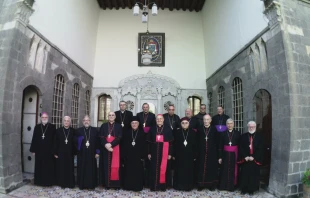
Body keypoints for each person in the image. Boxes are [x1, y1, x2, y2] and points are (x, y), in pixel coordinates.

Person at [147, 114, 174, 191]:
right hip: (154, 152)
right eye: (157, 119)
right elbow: (149, 142)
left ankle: (162, 186)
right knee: (153, 169)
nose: (159, 120)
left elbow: (171, 143)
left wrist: (170, 153)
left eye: (160, 119)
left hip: (164, 153)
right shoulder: (152, 129)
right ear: (155, 120)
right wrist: (149, 153)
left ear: (163, 119)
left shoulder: (168, 129)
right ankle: (154, 186)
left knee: (164, 169)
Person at [30, 112, 56, 186]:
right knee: (39, 166)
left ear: (48, 118)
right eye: (43, 117)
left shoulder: (52, 127)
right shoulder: (37, 127)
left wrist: (54, 151)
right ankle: (39, 182)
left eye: (45, 117)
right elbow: (34, 138)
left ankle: (48, 182)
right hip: (39, 151)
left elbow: (54, 140)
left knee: (48, 167)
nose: (44, 119)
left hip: (49, 151)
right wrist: (33, 150)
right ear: (41, 118)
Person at [238, 121, 264, 195]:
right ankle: (243, 189)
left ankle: (251, 190)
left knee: (253, 175)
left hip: (254, 159)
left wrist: (254, 157)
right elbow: (241, 147)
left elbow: (261, 149)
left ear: (255, 127)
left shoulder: (259, 137)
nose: (251, 127)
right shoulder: (243, 136)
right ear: (248, 127)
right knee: (244, 175)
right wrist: (245, 156)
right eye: (250, 126)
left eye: (253, 126)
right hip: (246, 159)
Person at [75, 115, 100, 189]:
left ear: (90, 121)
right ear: (83, 122)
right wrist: (79, 139)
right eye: (85, 120)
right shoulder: (78, 131)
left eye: (88, 120)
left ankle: (91, 184)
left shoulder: (95, 130)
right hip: (82, 154)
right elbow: (74, 141)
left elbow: (98, 142)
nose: (86, 121)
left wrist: (97, 152)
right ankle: (81, 184)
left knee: (91, 169)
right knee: (82, 168)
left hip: (92, 154)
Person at [122, 116, 146, 191]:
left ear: (139, 124)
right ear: (130, 124)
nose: (134, 124)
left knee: (138, 172)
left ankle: (137, 186)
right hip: (128, 157)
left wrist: (143, 156)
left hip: (138, 157)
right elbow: (123, 145)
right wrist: (124, 156)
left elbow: (145, 146)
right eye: (133, 123)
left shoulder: (143, 133)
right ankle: (128, 186)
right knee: (128, 171)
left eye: (136, 123)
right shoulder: (126, 133)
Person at [173, 117, 197, 191]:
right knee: (179, 170)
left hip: (189, 155)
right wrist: (173, 154)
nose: (184, 124)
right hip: (179, 155)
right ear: (180, 124)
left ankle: (188, 186)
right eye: (183, 123)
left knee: (188, 171)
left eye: (186, 123)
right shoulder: (177, 132)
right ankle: (179, 186)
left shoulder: (193, 132)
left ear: (189, 124)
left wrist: (195, 155)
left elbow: (196, 145)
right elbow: (174, 144)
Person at [99, 112, 122, 189]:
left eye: (112, 115)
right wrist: (106, 145)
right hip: (105, 149)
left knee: (115, 166)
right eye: (110, 115)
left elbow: (119, 137)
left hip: (115, 148)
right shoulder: (103, 126)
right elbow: (101, 137)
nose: (111, 116)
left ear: (115, 117)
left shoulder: (119, 126)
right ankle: (107, 184)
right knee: (106, 166)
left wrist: (111, 144)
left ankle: (115, 185)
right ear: (108, 117)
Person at [218, 118, 241, 191]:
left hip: (234, 154)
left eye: (231, 123)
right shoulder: (223, 133)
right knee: (224, 170)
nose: (230, 125)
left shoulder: (237, 133)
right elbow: (220, 146)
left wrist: (239, 156)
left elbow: (240, 145)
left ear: (233, 124)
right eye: (228, 123)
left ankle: (232, 186)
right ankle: (223, 185)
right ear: (226, 125)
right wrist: (220, 157)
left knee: (233, 170)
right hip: (225, 155)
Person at [196, 114, 218, 191]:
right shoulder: (199, 129)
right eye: (204, 119)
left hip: (211, 152)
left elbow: (217, 142)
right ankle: (200, 185)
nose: (206, 121)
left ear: (210, 120)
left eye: (207, 119)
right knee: (200, 168)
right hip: (201, 152)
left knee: (211, 168)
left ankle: (211, 185)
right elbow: (197, 141)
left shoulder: (214, 129)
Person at [53, 116, 76, 188]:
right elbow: (55, 142)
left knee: (69, 168)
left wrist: (75, 152)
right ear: (63, 122)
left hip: (70, 153)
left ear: (70, 122)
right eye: (65, 120)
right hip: (61, 153)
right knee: (61, 168)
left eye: (68, 121)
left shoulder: (73, 131)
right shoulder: (58, 130)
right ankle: (61, 183)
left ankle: (70, 183)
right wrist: (55, 153)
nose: (66, 122)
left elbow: (75, 143)